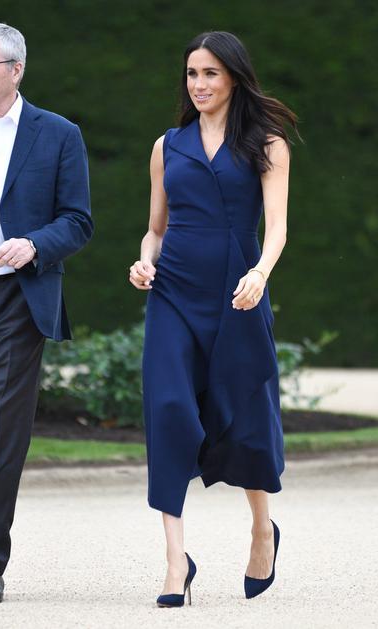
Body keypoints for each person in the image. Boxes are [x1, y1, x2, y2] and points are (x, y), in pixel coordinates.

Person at [130, 30, 297, 607]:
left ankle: (262, 529)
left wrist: (260, 274)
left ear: (234, 77)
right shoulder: (167, 146)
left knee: (245, 412)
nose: (198, 84)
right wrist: (145, 262)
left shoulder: (267, 143)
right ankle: (176, 562)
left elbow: (277, 226)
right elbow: (155, 228)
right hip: (173, 292)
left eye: (210, 73)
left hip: (237, 293)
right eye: (192, 74)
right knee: (168, 409)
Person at [0, 23, 93, 603]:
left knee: (2, 432)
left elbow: (77, 221)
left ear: (16, 70)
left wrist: (34, 244)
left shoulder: (57, 134)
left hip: (17, 296)